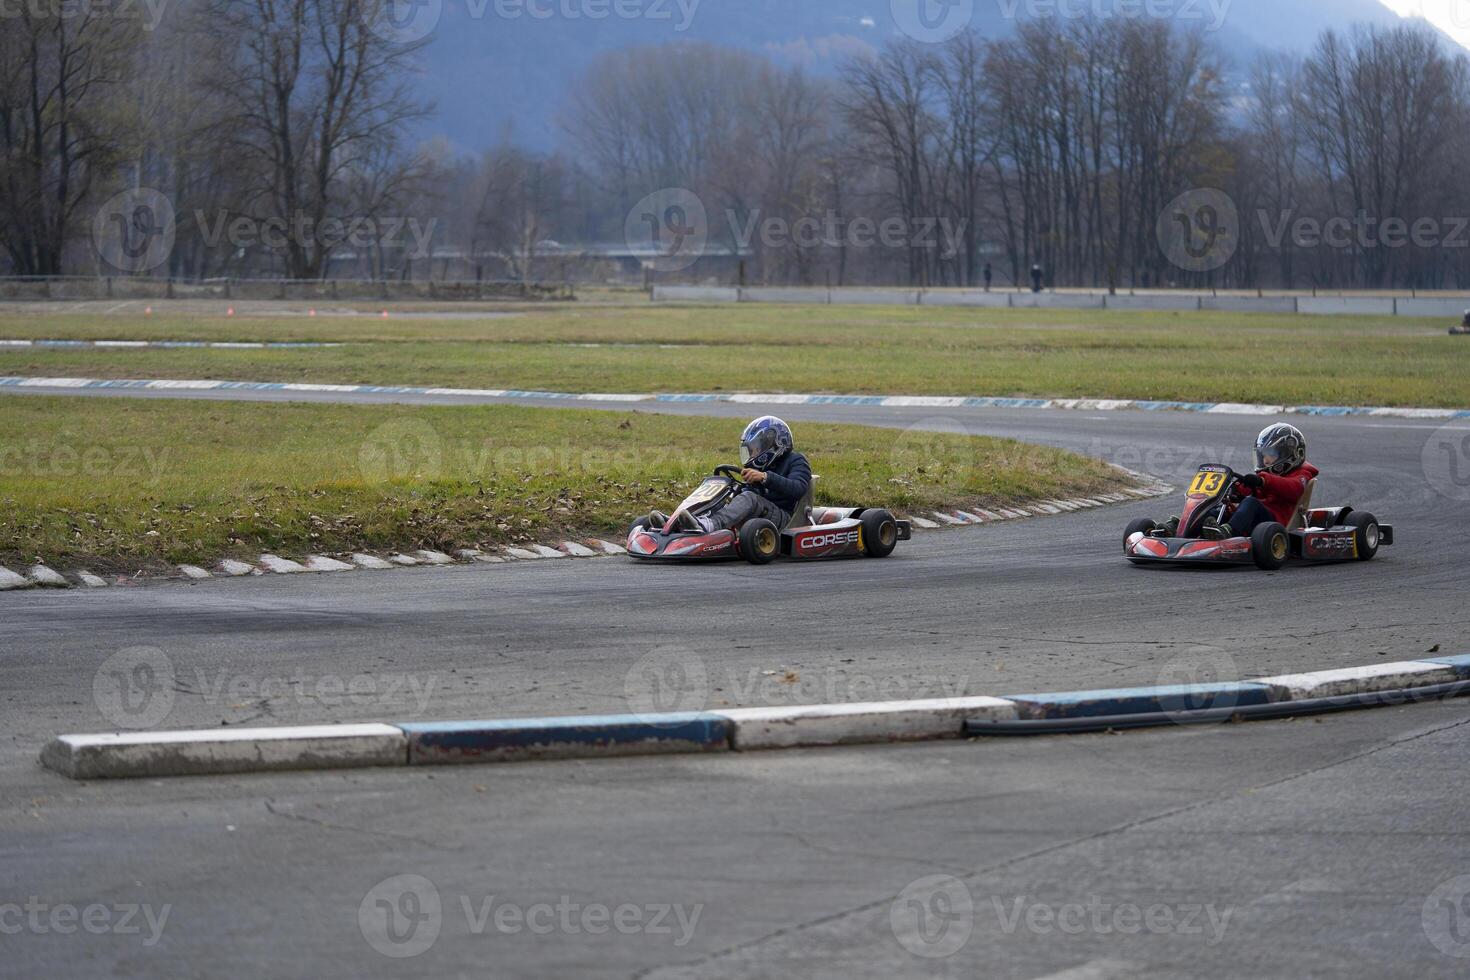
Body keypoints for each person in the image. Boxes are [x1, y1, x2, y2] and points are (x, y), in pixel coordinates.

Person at [652, 417, 812, 533]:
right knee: (726, 495)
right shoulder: (762, 466)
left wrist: (765, 477)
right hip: (760, 512)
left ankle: (708, 525)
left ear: (773, 444)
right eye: (751, 450)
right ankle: (676, 522)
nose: (752, 453)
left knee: (749, 497)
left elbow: (798, 488)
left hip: (782, 516)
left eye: (756, 449)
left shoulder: (796, 460)